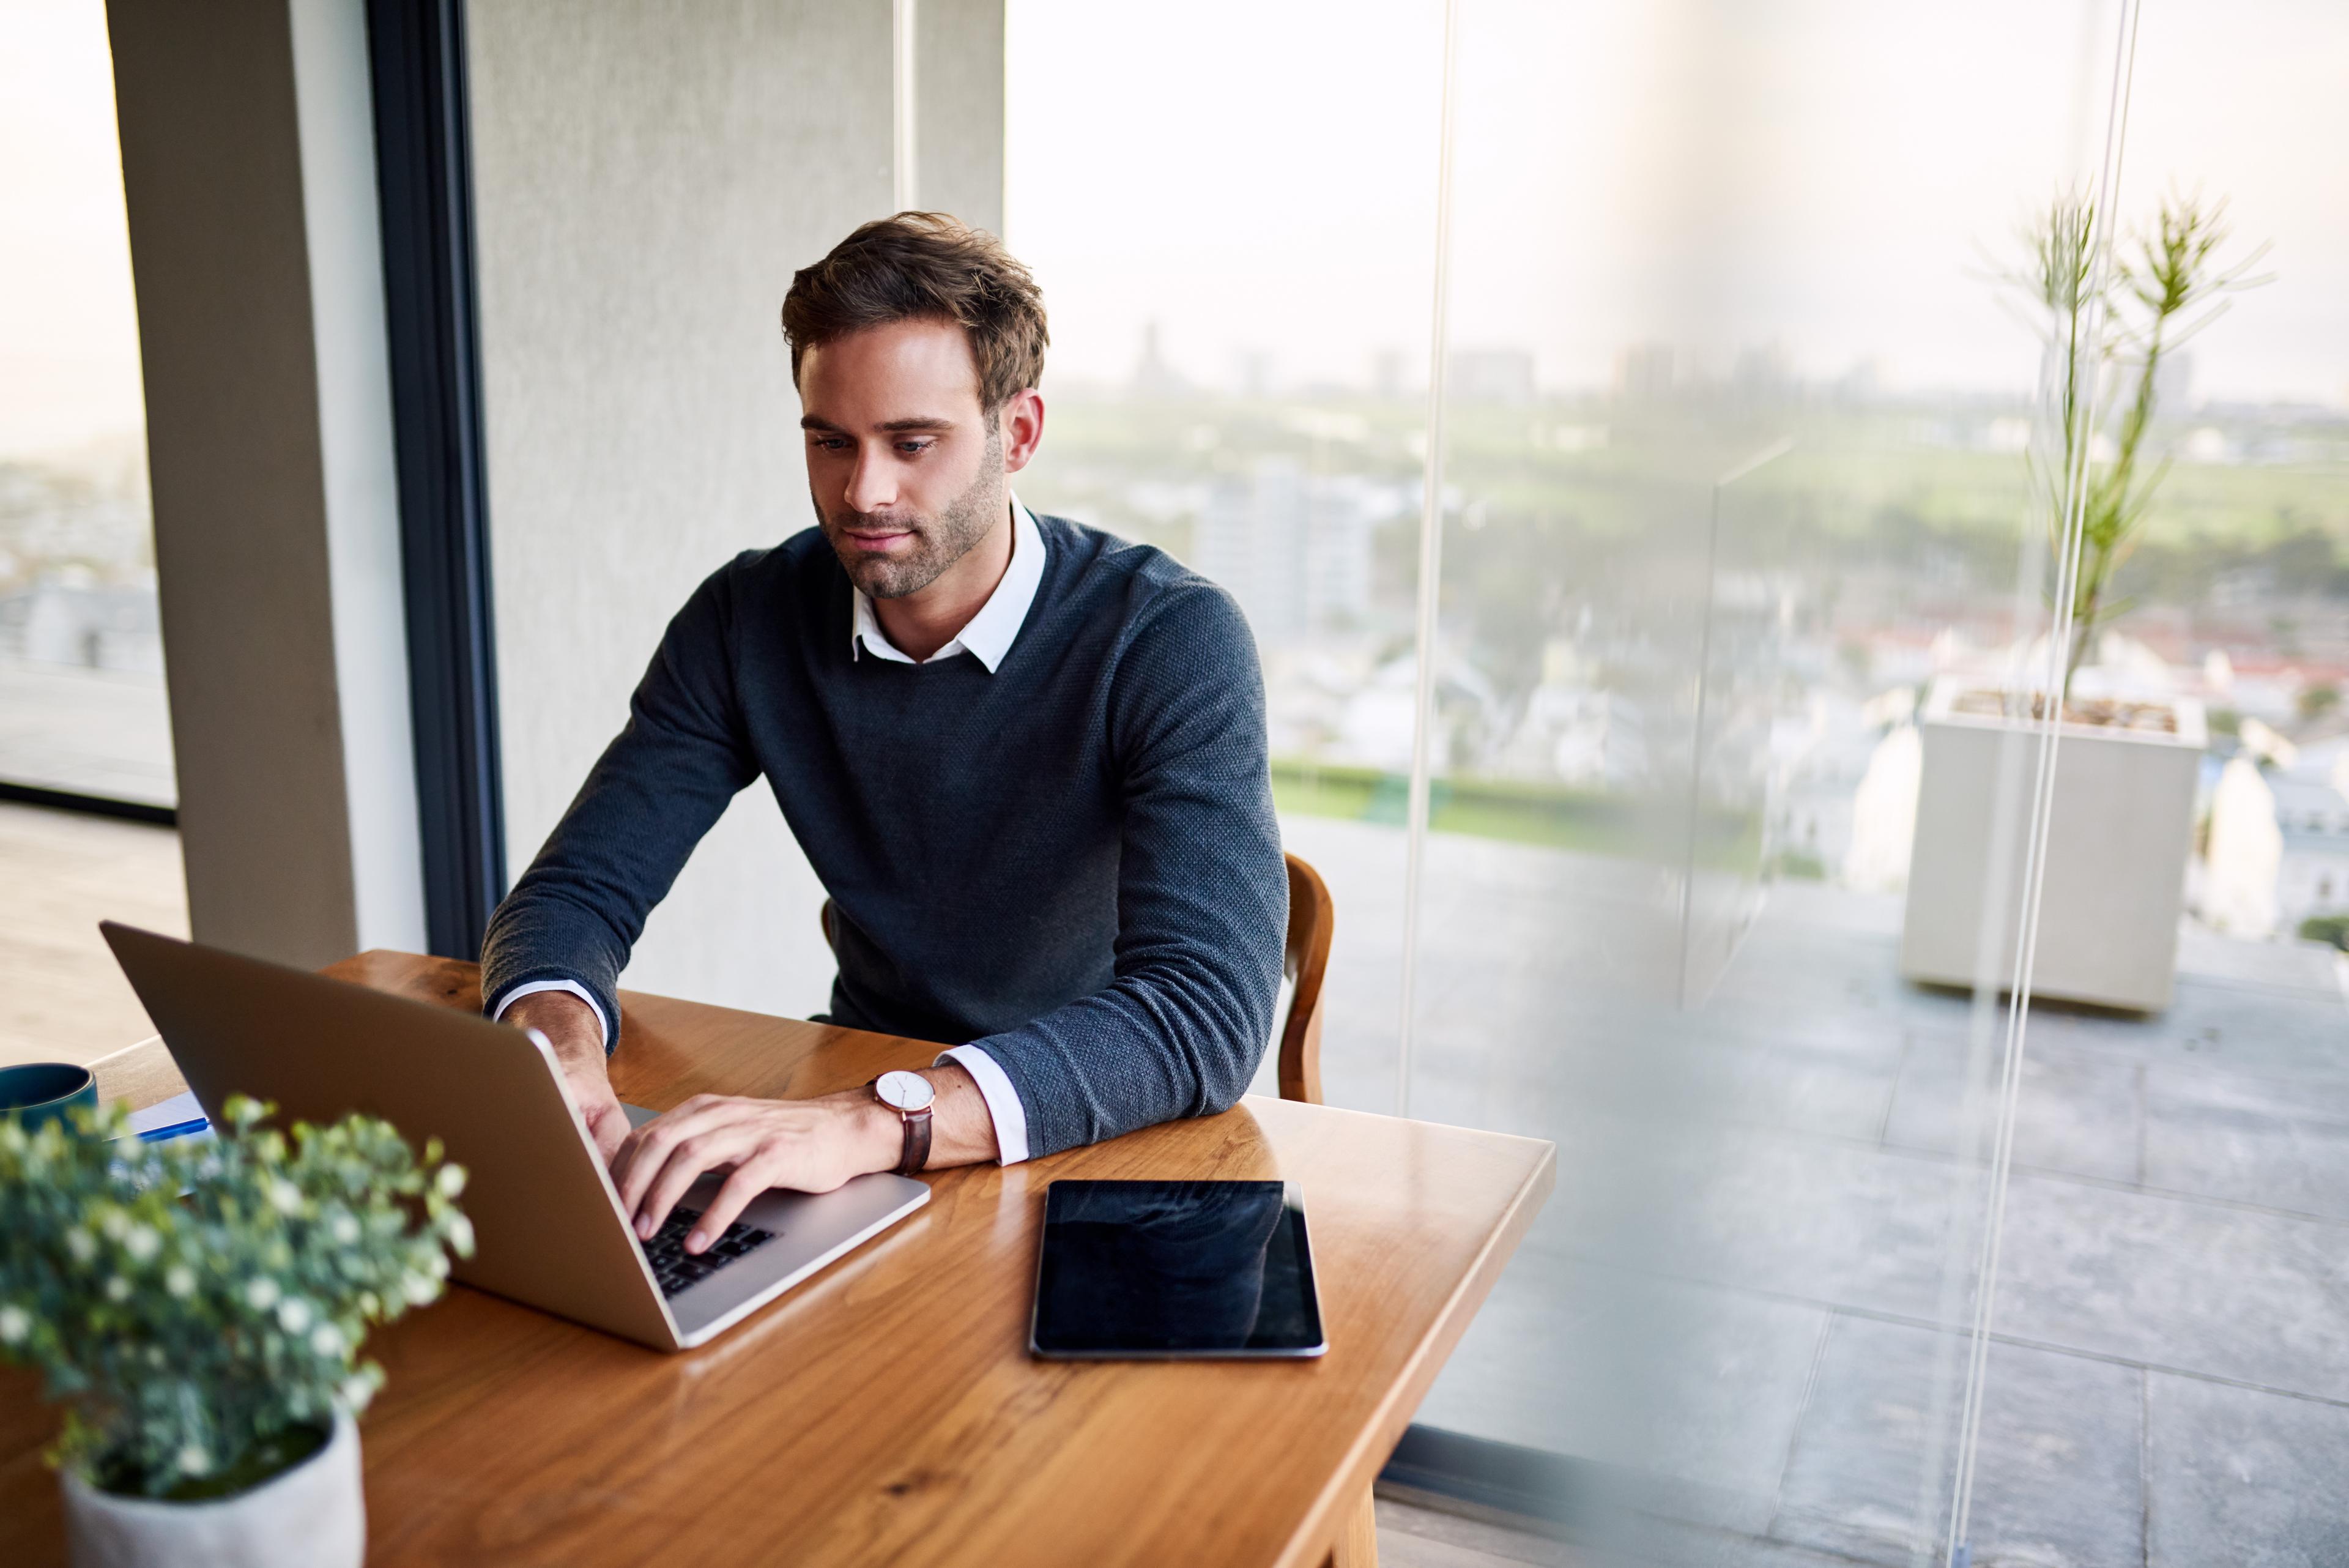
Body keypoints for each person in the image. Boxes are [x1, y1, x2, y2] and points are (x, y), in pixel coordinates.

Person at [481, 212, 1287, 1258]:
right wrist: (556, 1046)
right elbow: (576, 892)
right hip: (859, 1115)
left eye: (913, 444)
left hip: (1101, 1130)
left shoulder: (1169, 640)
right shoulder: (747, 620)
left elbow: (1199, 1018)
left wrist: (882, 1119)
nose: (863, 493)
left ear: (1020, 433)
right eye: (830, 442)